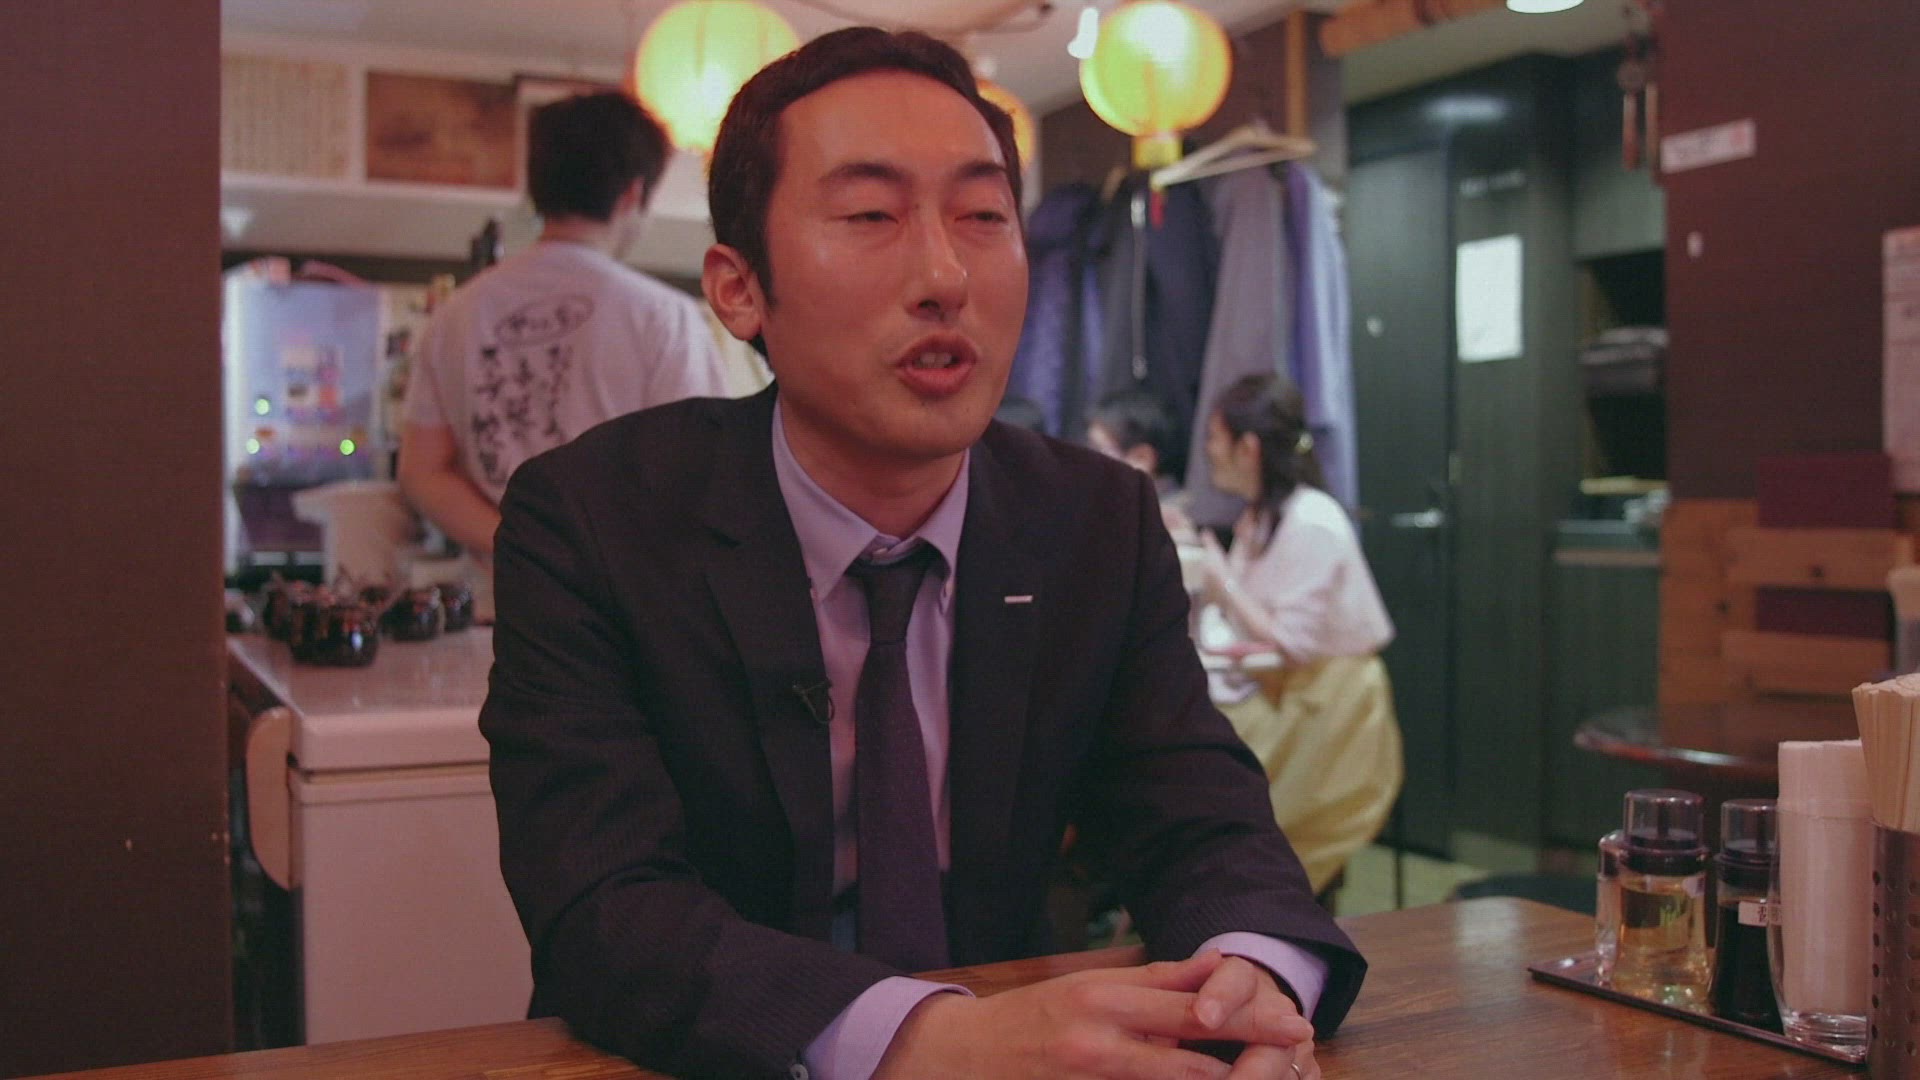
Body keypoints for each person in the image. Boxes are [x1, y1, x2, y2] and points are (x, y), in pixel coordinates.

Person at [481, 28, 1363, 1080]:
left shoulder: (1096, 520)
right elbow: (601, 906)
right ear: (739, 289)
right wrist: (922, 1039)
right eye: (871, 216)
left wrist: (1250, 973)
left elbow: (1200, 817)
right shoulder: (592, 520)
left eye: (983, 217)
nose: (946, 275)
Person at [397, 91, 726, 563]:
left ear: (536, 187)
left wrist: (525, 547)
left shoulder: (456, 314)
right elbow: (699, 472)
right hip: (624, 593)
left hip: (501, 591)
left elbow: (422, 472)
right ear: (633, 194)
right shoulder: (665, 317)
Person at [1192, 372, 1403, 898]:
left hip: (1331, 706)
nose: (1208, 450)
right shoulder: (1262, 516)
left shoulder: (1311, 521)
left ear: (1248, 448)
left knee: (1218, 788)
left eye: (1215, 437)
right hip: (1288, 691)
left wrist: (1219, 579)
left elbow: (1292, 644)